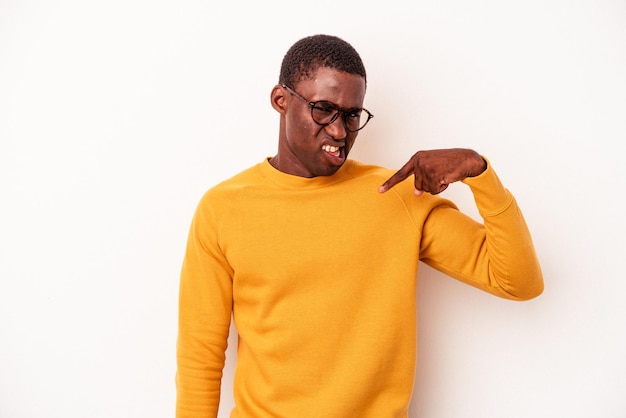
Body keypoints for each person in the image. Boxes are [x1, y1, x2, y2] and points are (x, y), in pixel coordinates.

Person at [175, 34, 544, 418]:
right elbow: (200, 355)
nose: (339, 132)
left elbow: (518, 280)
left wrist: (479, 172)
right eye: (323, 109)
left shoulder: (397, 196)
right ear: (281, 101)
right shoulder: (223, 208)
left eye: (352, 115)